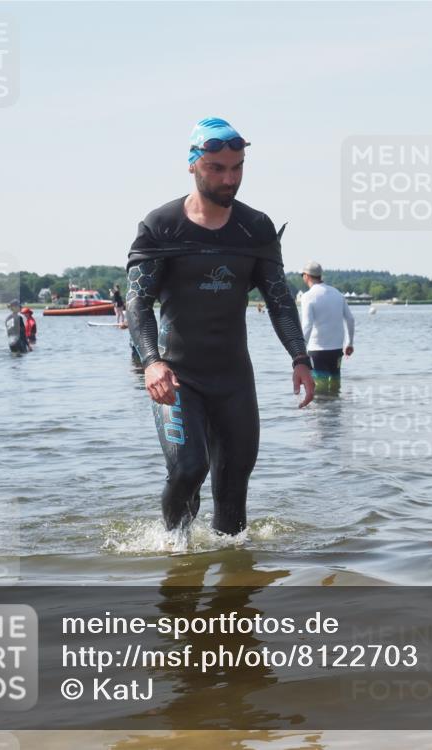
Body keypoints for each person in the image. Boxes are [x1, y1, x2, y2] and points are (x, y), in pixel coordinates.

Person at [126, 116, 314, 537]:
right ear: (192, 164)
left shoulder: (255, 228)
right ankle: (175, 551)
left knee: (233, 492)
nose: (230, 178)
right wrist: (152, 362)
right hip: (177, 375)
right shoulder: (161, 226)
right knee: (188, 468)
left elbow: (279, 299)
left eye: (238, 167)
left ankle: (234, 590)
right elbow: (138, 303)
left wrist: (300, 358)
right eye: (217, 168)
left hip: (233, 379)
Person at [299, 261, 355, 393]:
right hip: (336, 350)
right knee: (335, 387)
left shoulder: (308, 296)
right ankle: (335, 413)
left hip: (317, 351)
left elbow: (307, 325)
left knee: (319, 390)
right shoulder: (337, 293)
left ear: (306, 276)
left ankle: (320, 413)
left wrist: (299, 351)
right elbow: (350, 319)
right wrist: (350, 343)